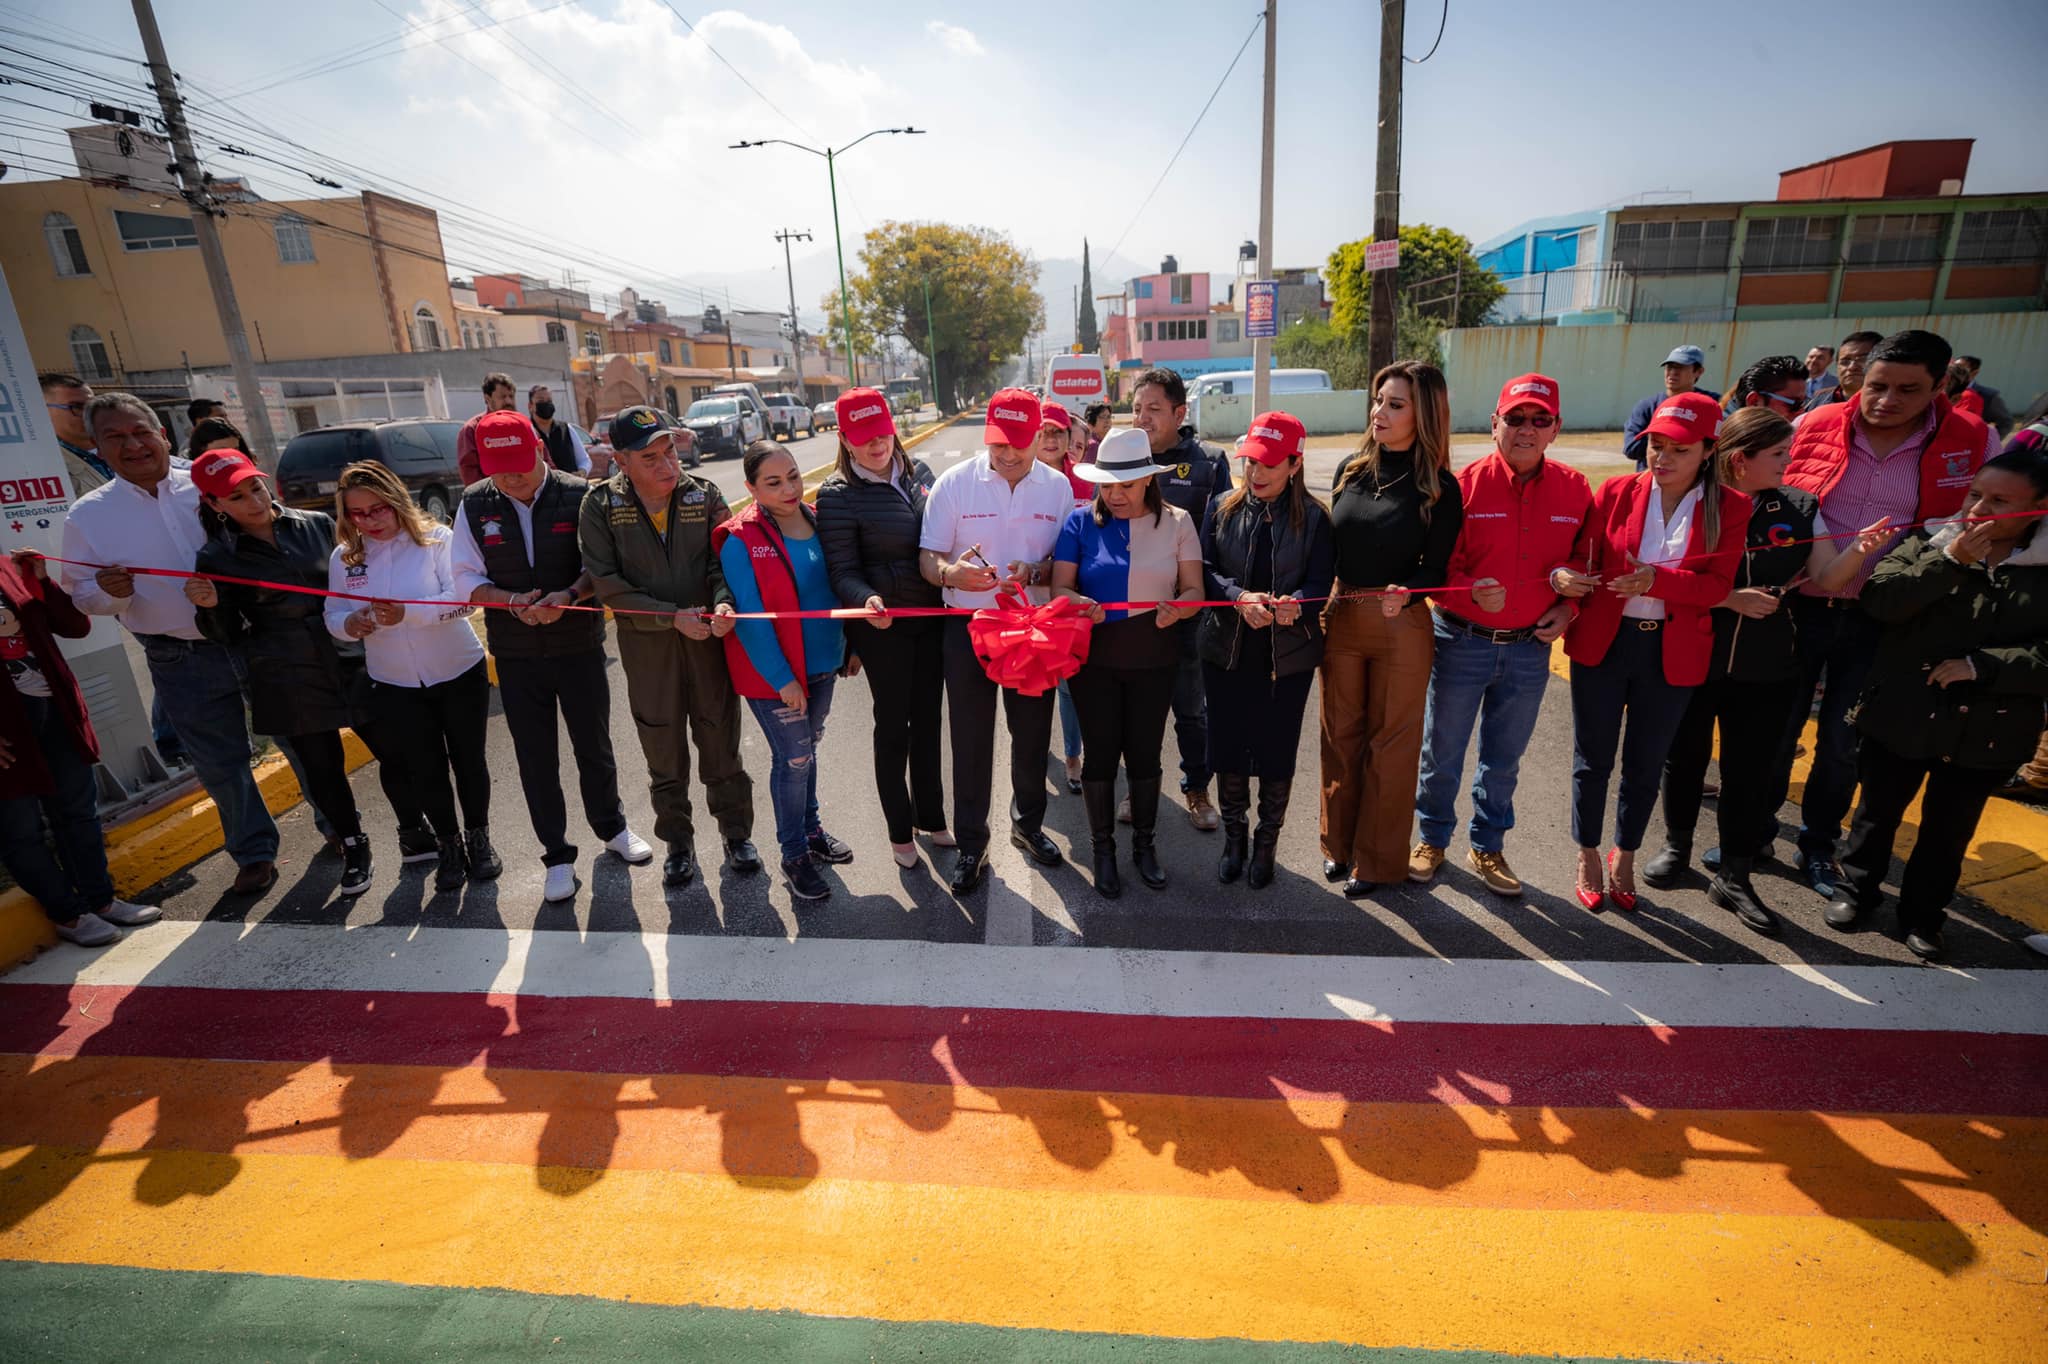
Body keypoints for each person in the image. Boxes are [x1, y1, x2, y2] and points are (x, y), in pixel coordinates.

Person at [1638, 409, 1892, 932]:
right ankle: (1676, 846)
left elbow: (1823, 574)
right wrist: (1729, 599)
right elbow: (1663, 576)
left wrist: (1860, 551)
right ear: (1739, 460)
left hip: (1770, 666)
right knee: (1683, 760)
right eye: (1778, 454)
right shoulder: (1692, 501)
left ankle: (1734, 874)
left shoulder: (1799, 506)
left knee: (1749, 771)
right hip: (1693, 655)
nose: (1790, 461)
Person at [1770, 329, 1999, 900]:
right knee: (1775, 729)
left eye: (1906, 389)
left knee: (1844, 743)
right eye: (1876, 386)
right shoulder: (1814, 424)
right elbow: (1769, 495)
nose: (1886, 400)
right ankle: (1750, 834)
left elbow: (2000, 517)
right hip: (1801, 605)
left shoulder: (1973, 439)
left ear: (1939, 385)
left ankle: (1818, 846)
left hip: (1890, 618)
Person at [1826, 450, 2048, 961]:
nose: (1978, 510)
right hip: (1903, 713)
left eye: (1999, 502)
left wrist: (1985, 666)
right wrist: (1950, 563)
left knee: (1949, 831)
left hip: (1990, 728)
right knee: (1876, 814)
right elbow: (1880, 601)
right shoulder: (1932, 541)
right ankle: (1855, 893)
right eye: (1975, 494)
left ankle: (1924, 916)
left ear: (2037, 509)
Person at [58, 395, 282, 896]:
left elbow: (274, 527)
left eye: (141, 431)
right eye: (115, 437)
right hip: (178, 656)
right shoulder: (88, 516)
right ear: (97, 446)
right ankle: (254, 852)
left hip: (255, 638)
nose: (133, 444)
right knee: (220, 763)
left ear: (162, 432)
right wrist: (110, 595)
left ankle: (340, 830)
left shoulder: (209, 480)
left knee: (298, 738)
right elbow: (82, 593)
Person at [189, 449, 411, 897]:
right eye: (236, 496)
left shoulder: (317, 526)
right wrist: (209, 608)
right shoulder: (217, 556)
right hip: (285, 671)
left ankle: (416, 831)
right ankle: (354, 845)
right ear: (216, 506)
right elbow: (227, 633)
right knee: (322, 769)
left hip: (350, 654)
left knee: (397, 751)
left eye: (256, 486)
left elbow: (359, 578)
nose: (254, 501)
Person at [451, 410, 650, 903]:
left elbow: (599, 568)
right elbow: (464, 580)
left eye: (520, 463)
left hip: (577, 646)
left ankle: (613, 829)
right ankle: (557, 856)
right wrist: (512, 602)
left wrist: (568, 596)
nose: (513, 477)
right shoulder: (474, 504)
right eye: (500, 468)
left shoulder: (581, 495)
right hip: (516, 655)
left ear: (539, 451)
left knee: (594, 745)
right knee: (535, 758)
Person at [1558, 395, 1747, 911]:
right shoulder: (1618, 490)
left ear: (1709, 450)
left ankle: (1626, 853)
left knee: (1645, 762)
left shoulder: (1731, 507)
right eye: (1656, 446)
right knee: (1592, 758)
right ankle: (1589, 852)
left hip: (1672, 649)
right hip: (1606, 640)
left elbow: (1717, 587)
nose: (1662, 458)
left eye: (1678, 450)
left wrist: (1658, 580)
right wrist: (1565, 576)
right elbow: (1582, 553)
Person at [1411, 374, 1588, 897]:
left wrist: (1569, 605)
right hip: (1461, 641)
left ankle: (1487, 845)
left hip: (1530, 650)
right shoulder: (1459, 486)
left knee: (1504, 758)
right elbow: (1436, 571)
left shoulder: (1576, 489)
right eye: (1515, 418)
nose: (1526, 430)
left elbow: (1587, 560)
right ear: (1494, 425)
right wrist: (1466, 590)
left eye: (1539, 420)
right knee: (1441, 751)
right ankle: (1431, 838)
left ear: (1556, 428)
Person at [579, 405, 758, 888]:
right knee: (663, 750)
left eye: (669, 453)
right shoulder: (599, 507)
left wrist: (723, 605)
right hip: (649, 652)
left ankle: (736, 833)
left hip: (706, 644)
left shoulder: (704, 494)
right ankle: (678, 844)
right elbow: (607, 584)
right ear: (621, 461)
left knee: (720, 739)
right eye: (651, 458)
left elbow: (727, 562)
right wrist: (669, 617)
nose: (668, 466)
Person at [918, 386, 1073, 893]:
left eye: (1016, 442)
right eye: (995, 442)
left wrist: (1037, 570)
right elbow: (929, 558)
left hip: (1031, 629)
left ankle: (1028, 827)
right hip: (967, 630)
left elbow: (1063, 564)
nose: (1004, 453)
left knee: (1031, 734)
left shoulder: (1057, 488)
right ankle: (971, 844)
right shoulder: (954, 484)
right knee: (970, 740)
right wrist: (949, 575)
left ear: (1039, 436)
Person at [1321, 361, 1465, 899]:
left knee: (1392, 745)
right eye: (1379, 400)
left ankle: (1379, 862)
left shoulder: (1440, 488)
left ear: (1423, 414)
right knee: (1340, 736)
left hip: (1400, 624)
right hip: (1341, 616)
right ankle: (1339, 846)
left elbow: (1438, 568)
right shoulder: (1349, 471)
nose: (1380, 412)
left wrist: (1410, 588)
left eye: (1396, 404)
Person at [325, 461, 501, 892]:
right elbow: (333, 612)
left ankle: (479, 838)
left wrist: (410, 613)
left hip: (458, 670)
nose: (370, 521)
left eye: (378, 509)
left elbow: (464, 601)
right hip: (394, 682)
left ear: (396, 500)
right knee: (425, 769)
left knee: (468, 761)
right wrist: (352, 624)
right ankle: (449, 846)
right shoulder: (347, 557)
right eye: (357, 514)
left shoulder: (437, 539)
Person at [1055, 427, 1205, 896]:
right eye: (1106, 485)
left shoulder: (1179, 522)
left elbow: (1196, 591)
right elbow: (1059, 588)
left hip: (1154, 655)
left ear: (1148, 480)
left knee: (1144, 753)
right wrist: (1078, 602)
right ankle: (1104, 851)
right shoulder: (1079, 523)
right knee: (1100, 754)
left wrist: (1179, 608)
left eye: (1126, 485)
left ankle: (1144, 846)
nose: (1115, 494)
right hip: (1093, 658)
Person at [815, 388, 952, 869]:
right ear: (845, 440)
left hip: (931, 621)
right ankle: (899, 832)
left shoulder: (922, 476)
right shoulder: (837, 495)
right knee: (894, 728)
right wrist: (865, 598)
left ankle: (932, 817)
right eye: (863, 437)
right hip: (883, 626)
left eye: (882, 432)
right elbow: (841, 569)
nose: (876, 445)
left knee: (929, 723)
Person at [0, 548, 160, 946]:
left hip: (54, 711)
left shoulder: (8, 565)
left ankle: (99, 900)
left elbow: (74, 627)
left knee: (76, 812)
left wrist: (43, 582)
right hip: (5, 729)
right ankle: (67, 915)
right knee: (20, 829)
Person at [1200, 412, 1333, 889]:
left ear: (1295, 464)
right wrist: (1238, 597)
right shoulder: (1220, 508)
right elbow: (1206, 571)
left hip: (1287, 658)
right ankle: (1234, 840)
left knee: (1277, 753)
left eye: (1269, 464)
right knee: (1229, 748)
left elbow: (1320, 582)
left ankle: (1266, 845)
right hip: (1226, 650)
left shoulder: (1317, 519)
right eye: (1250, 461)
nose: (1256, 473)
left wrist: (1296, 604)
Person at [716, 441, 853, 902]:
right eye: (773, 482)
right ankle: (793, 855)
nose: (789, 488)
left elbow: (837, 589)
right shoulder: (740, 540)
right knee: (793, 759)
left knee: (809, 749)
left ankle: (811, 831)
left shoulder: (818, 520)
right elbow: (751, 621)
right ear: (752, 488)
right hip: (776, 677)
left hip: (823, 665)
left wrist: (851, 648)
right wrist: (782, 680)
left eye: (792, 476)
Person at [1126, 367, 1231, 832]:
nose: (1142, 418)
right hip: (1132, 615)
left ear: (1179, 412)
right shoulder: (1122, 458)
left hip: (1188, 615)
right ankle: (1138, 787)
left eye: (1153, 409)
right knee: (1137, 710)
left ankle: (1196, 789)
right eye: (1136, 409)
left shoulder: (1208, 461)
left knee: (1191, 709)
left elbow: (1227, 538)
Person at [1036, 402, 1091, 791]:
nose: (1051, 439)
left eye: (1058, 431)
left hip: (1071, 598)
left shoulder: (1085, 482)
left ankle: (1073, 754)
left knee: (1070, 683)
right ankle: (1034, 748)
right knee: (1033, 682)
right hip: (1029, 600)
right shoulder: (1018, 479)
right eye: (1044, 432)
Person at [1624, 345, 1721, 469]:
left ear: (1698, 371)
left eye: (1680, 368)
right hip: (1653, 481)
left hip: (1697, 482)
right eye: (1669, 367)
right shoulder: (1647, 406)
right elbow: (1631, 448)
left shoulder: (1712, 405)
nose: (1673, 373)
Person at [39, 373, 112, 495]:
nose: (89, 413)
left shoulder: (124, 449)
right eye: (77, 407)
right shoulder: (44, 466)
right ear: (42, 410)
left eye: (92, 405)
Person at [456, 372, 520, 486]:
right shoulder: (472, 430)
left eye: (511, 396)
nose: (509, 402)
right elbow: (470, 474)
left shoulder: (523, 427)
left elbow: (544, 461)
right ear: (487, 399)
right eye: (503, 397)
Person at [1798, 331, 1881, 416]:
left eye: (1862, 359)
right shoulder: (1817, 405)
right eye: (1845, 361)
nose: (1852, 367)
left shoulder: (1888, 407)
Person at [527, 384, 592, 473]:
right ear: (530, 406)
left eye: (549, 401)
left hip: (570, 484)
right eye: (541, 401)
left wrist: (582, 472)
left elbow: (584, 460)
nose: (546, 404)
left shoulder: (566, 429)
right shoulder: (527, 432)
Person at [1726, 355, 1810, 419]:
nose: (1802, 412)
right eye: (1794, 405)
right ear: (1754, 402)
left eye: (1804, 403)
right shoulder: (1720, 438)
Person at [1957, 356, 2014, 436]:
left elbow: (2006, 422)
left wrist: (1988, 442)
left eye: (1960, 369)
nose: (1955, 372)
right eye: (1954, 368)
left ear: (1975, 373)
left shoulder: (1988, 396)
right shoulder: (1943, 389)